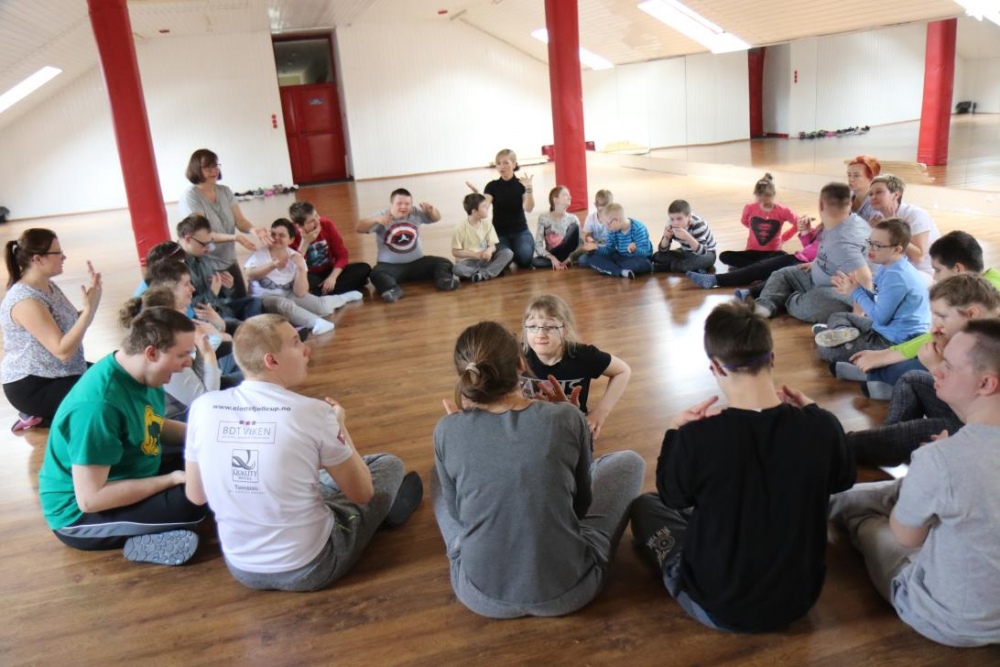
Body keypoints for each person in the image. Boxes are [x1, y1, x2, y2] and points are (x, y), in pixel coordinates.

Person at [630, 301, 855, 632]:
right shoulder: (822, 426)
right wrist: (819, 415)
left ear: (716, 368)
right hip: (799, 600)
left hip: (718, 605)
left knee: (646, 506)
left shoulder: (696, 438)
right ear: (772, 358)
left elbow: (672, 497)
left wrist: (675, 431)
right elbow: (843, 480)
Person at [184, 314, 423, 592]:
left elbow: (196, 495)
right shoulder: (313, 412)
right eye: (296, 343)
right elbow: (362, 494)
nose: (307, 349)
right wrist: (340, 428)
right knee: (388, 464)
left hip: (242, 568)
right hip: (313, 565)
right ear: (271, 361)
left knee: (307, 473)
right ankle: (382, 514)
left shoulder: (203, 407)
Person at [432, 320, 645, 618]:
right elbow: (580, 508)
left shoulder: (446, 429)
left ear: (466, 374)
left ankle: (465, 547)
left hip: (479, 596)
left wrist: (464, 441)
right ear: (521, 363)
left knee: (439, 479)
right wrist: (566, 418)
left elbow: (458, 515)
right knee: (629, 462)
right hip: (571, 591)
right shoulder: (566, 417)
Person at [829, 319, 1000, 647]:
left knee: (866, 517)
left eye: (948, 366)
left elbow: (906, 538)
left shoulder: (940, 460)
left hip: (950, 619)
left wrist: (938, 461)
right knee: (921, 495)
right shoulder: (946, 458)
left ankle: (813, 508)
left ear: (986, 383)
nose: (937, 370)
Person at [37, 307, 209, 565]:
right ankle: (146, 538)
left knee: (205, 463)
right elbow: (90, 499)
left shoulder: (141, 372)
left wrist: (205, 435)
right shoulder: (97, 407)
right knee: (194, 502)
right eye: (183, 355)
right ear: (151, 353)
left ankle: (162, 523)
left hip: (127, 471)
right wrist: (171, 479)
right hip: (78, 517)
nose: (188, 363)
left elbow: (150, 424)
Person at [843, 275, 1000, 464]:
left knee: (861, 443)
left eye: (942, 316)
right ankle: (889, 444)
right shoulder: (975, 333)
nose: (936, 323)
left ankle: (861, 445)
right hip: (965, 412)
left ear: (972, 314)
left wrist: (935, 366)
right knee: (912, 379)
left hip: (978, 436)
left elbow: (975, 418)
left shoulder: (991, 346)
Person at [836, 238, 1000, 392]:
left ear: (958, 269)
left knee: (917, 366)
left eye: (938, 270)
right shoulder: (984, 286)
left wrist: (890, 355)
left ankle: (881, 379)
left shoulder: (975, 301)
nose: (935, 276)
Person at [1, 229, 101, 431]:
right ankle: (38, 414)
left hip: (62, 371)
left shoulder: (48, 286)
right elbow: (62, 350)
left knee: (116, 374)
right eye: (58, 252)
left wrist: (93, 302)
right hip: (33, 385)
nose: (64, 257)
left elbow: (73, 326)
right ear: (38, 259)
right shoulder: (25, 300)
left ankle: (51, 414)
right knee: (105, 397)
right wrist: (89, 311)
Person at [752, 182, 872, 324]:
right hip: (820, 276)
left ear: (821, 205)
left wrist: (858, 316)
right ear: (849, 204)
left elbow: (866, 278)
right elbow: (832, 251)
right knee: (782, 274)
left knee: (810, 304)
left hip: (839, 292)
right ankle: (767, 305)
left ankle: (785, 299)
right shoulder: (840, 220)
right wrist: (816, 262)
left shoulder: (843, 241)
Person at [814, 218, 930, 364]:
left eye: (877, 245)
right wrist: (856, 287)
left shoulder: (896, 278)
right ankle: (842, 333)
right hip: (884, 329)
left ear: (897, 249)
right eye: (870, 242)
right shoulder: (889, 266)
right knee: (838, 316)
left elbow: (880, 317)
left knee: (825, 351)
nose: (870, 248)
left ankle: (842, 339)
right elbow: (879, 299)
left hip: (893, 341)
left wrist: (856, 291)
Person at [118, 286, 238, 422]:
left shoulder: (169, 347)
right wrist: (208, 353)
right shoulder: (165, 355)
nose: (187, 311)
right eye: (181, 308)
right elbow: (207, 402)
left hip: (193, 406)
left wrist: (202, 350)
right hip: (183, 414)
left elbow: (199, 379)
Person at [519, 294, 631, 438]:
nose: (540, 334)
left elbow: (623, 371)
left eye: (550, 327)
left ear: (565, 330)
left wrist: (600, 413)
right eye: (533, 326)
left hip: (572, 427)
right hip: (532, 427)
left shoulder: (583, 355)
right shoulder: (517, 355)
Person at [178, 148, 273, 298]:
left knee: (240, 299)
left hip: (228, 258)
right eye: (208, 167)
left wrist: (254, 230)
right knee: (215, 303)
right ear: (196, 169)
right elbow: (202, 235)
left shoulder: (225, 191)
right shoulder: (191, 197)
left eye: (215, 166)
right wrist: (235, 237)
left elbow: (240, 221)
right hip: (206, 261)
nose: (214, 170)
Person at [246, 219, 363, 335]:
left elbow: (300, 292)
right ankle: (316, 323)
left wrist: (301, 268)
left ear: (291, 240)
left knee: (321, 307)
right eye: (273, 234)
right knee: (284, 305)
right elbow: (250, 274)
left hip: (288, 293)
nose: (276, 238)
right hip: (262, 298)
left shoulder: (295, 256)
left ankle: (343, 298)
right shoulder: (260, 253)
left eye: (281, 235)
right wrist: (272, 265)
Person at [356, 188, 458, 302]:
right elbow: (359, 228)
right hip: (390, 267)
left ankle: (444, 281)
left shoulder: (415, 212)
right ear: (392, 204)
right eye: (399, 203)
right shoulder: (382, 215)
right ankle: (392, 289)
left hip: (417, 263)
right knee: (376, 274)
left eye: (407, 204)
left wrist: (431, 210)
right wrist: (376, 220)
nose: (403, 207)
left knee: (443, 262)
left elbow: (436, 218)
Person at [686, 214, 822, 294]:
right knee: (759, 267)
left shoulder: (835, 234)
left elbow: (826, 258)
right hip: (795, 257)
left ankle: (719, 281)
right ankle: (716, 279)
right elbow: (810, 248)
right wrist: (806, 231)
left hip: (805, 265)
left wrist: (815, 263)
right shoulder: (824, 229)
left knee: (770, 274)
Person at [176, 213, 263, 323]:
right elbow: (190, 309)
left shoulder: (203, 256)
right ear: (188, 239)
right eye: (204, 244)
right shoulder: (175, 266)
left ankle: (249, 328)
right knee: (239, 324)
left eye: (210, 243)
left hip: (220, 309)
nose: (208, 248)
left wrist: (227, 287)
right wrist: (212, 292)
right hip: (205, 318)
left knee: (254, 302)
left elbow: (222, 296)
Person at [465, 148, 535, 268]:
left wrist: (529, 189)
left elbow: (528, 208)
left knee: (525, 260)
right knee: (505, 261)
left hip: (520, 231)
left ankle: (516, 251)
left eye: (506, 163)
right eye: (498, 163)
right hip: (499, 233)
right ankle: (510, 252)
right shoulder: (492, 186)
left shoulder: (521, 184)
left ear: (514, 164)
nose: (502, 166)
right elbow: (484, 206)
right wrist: (477, 196)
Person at [288, 201, 372, 296]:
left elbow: (342, 255)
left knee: (364, 268)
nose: (317, 222)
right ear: (298, 225)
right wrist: (305, 242)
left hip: (330, 270)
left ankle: (320, 292)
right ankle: (329, 290)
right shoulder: (291, 235)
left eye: (317, 216)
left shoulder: (326, 224)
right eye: (311, 221)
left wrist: (332, 277)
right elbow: (293, 268)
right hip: (308, 275)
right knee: (297, 284)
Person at [717, 173, 799, 269]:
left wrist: (783, 238)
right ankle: (759, 268)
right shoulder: (749, 207)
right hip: (752, 252)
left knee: (783, 255)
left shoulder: (783, 210)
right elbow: (744, 221)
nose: (763, 199)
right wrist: (756, 229)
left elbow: (799, 223)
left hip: (772, 253)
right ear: (755, 194)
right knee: (724, 256)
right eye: (759, 195)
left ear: (773, 194)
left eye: (767, 196)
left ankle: (752, 268)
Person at [867, 174, 940, 279]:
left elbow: (918, 257)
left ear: (896, 194)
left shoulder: (915, 215)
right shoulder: (877, 218)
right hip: (898, 269)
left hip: (924, 273)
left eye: (879, 192)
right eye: (870, 194)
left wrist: (893, 229)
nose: (873, 197)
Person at [451, 193, 514, 282]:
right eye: (484, 206)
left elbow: (492, 246)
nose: (487, 208)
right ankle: (490, 272)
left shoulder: (487, 224)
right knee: (456, 269)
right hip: (468, 262)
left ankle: (481, 274)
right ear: (474, 212)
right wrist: (476, 255)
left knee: (508, 253)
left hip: (485, 260)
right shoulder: (460, 228)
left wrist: (489, 251)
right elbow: (455, 252)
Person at [584, 203, 654, 279]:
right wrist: (596, 247)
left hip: (638, 258)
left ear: (617, 220)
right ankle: (622, 271)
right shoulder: (612, 230)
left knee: (641, 264)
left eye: (608, 224)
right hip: (622, 257)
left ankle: (613, 269)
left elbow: (645, 253)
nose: (607, 227)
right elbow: (609, 250)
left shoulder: (638, 228)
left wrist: (635, 249)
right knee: (592, 258)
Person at [652, 200, 717, 273]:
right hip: (686, 251)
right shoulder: (670, 224)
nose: (675, 223)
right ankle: (694, 267)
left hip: (707, 253)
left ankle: (668, 267)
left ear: (689, 217)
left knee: (704, 259)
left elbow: (702, 252)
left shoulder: (698, 225)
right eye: (672, 219)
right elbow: (662, 251)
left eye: (679, 219)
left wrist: (687, 237)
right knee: (657, 256)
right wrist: (666, 238)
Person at [532, 186, 580, 270]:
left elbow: (580, 242)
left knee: (574, 227)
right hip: (553, 253)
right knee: (535, 262)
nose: (570, 197)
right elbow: (538, 245)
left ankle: (566, 261)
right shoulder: (543, 218)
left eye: (569, 195)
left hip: (568, 253)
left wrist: (569, 259)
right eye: (565, 195)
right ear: (556, 200)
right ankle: (558, 261)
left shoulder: (573, 218)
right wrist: (552, 258)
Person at [571, 189, 613, 268]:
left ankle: (600, 261)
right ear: (595, 205)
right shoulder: (591, 218)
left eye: (606, 207)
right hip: (594, 246)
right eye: (600, 207)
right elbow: (585, 234)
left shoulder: (613, 219)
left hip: (607, 247)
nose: (603, 210)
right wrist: (589, 239)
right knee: (582, 261)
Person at [846, 155, 882, 222]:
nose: (851, 179)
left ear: (871, 178)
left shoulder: (876, 204)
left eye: (856, 175)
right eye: (849, 175)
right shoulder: (844, 199)